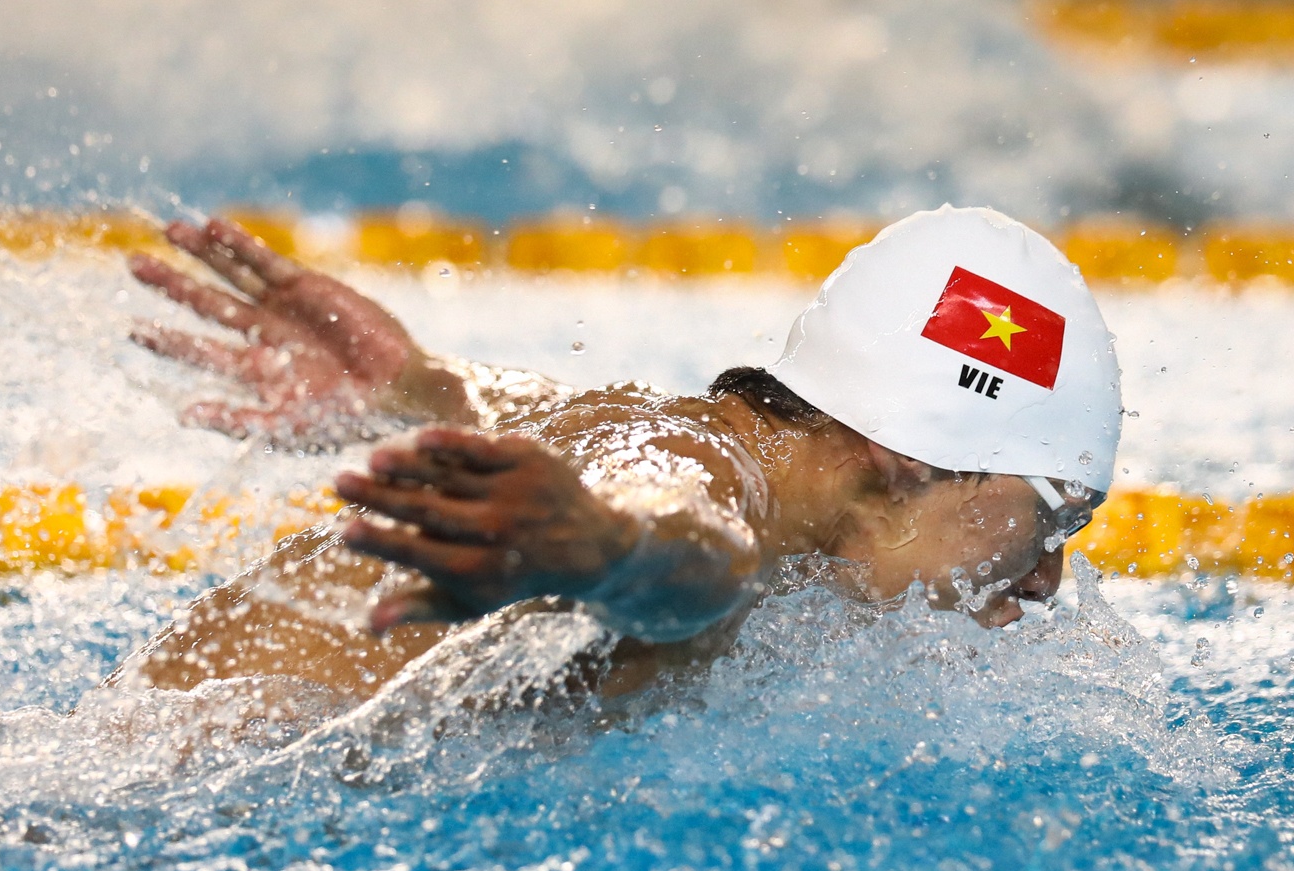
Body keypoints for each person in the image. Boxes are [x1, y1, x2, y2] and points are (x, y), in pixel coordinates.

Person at [116, 205, 1120, 702]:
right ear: (906, 456)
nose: (1046, 573)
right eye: (1053, 511)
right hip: (152, 791)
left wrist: (420, 386)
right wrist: (606, 552)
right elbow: (684, 545)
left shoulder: (686, 437)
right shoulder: (703, 487)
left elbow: (562, 419)